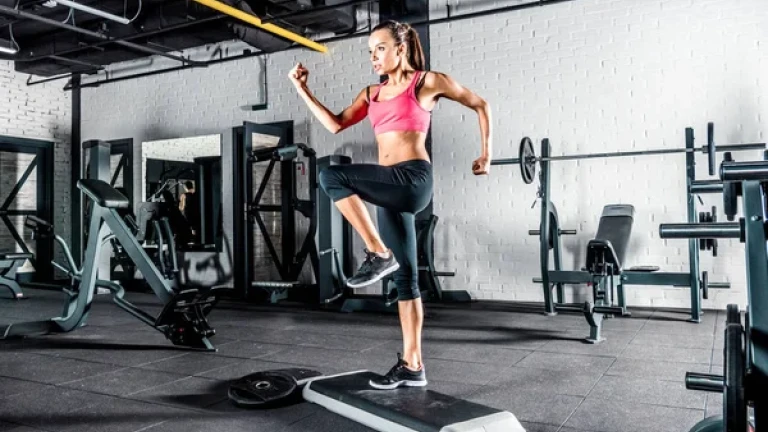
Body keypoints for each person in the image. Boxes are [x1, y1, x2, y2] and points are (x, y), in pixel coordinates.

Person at [289, 20, 492, 390]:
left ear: (401, 48)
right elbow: (335, 125)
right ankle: (413, 365)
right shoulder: (372, 94)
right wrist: (303, 89)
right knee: (406, 279)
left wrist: (486, 155)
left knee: (332, 176)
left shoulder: (426, 82)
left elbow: (480, 104)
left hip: (413, 180)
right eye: (370, 51)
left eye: (380, 48)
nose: (374, 57)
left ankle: (377, 252)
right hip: (389, 189)